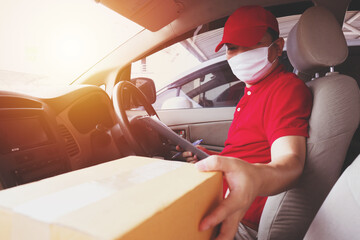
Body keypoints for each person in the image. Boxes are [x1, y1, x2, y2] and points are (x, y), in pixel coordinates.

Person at [178, 5, 313, 240]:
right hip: (220, 196)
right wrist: (208, 156)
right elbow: (246, 151)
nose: (240, 55)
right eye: (232, 48)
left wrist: (254, 178)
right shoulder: (251, 92)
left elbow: (291, 162)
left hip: (239, 215)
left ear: (278, 47)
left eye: (252, 45)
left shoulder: (286, 89)